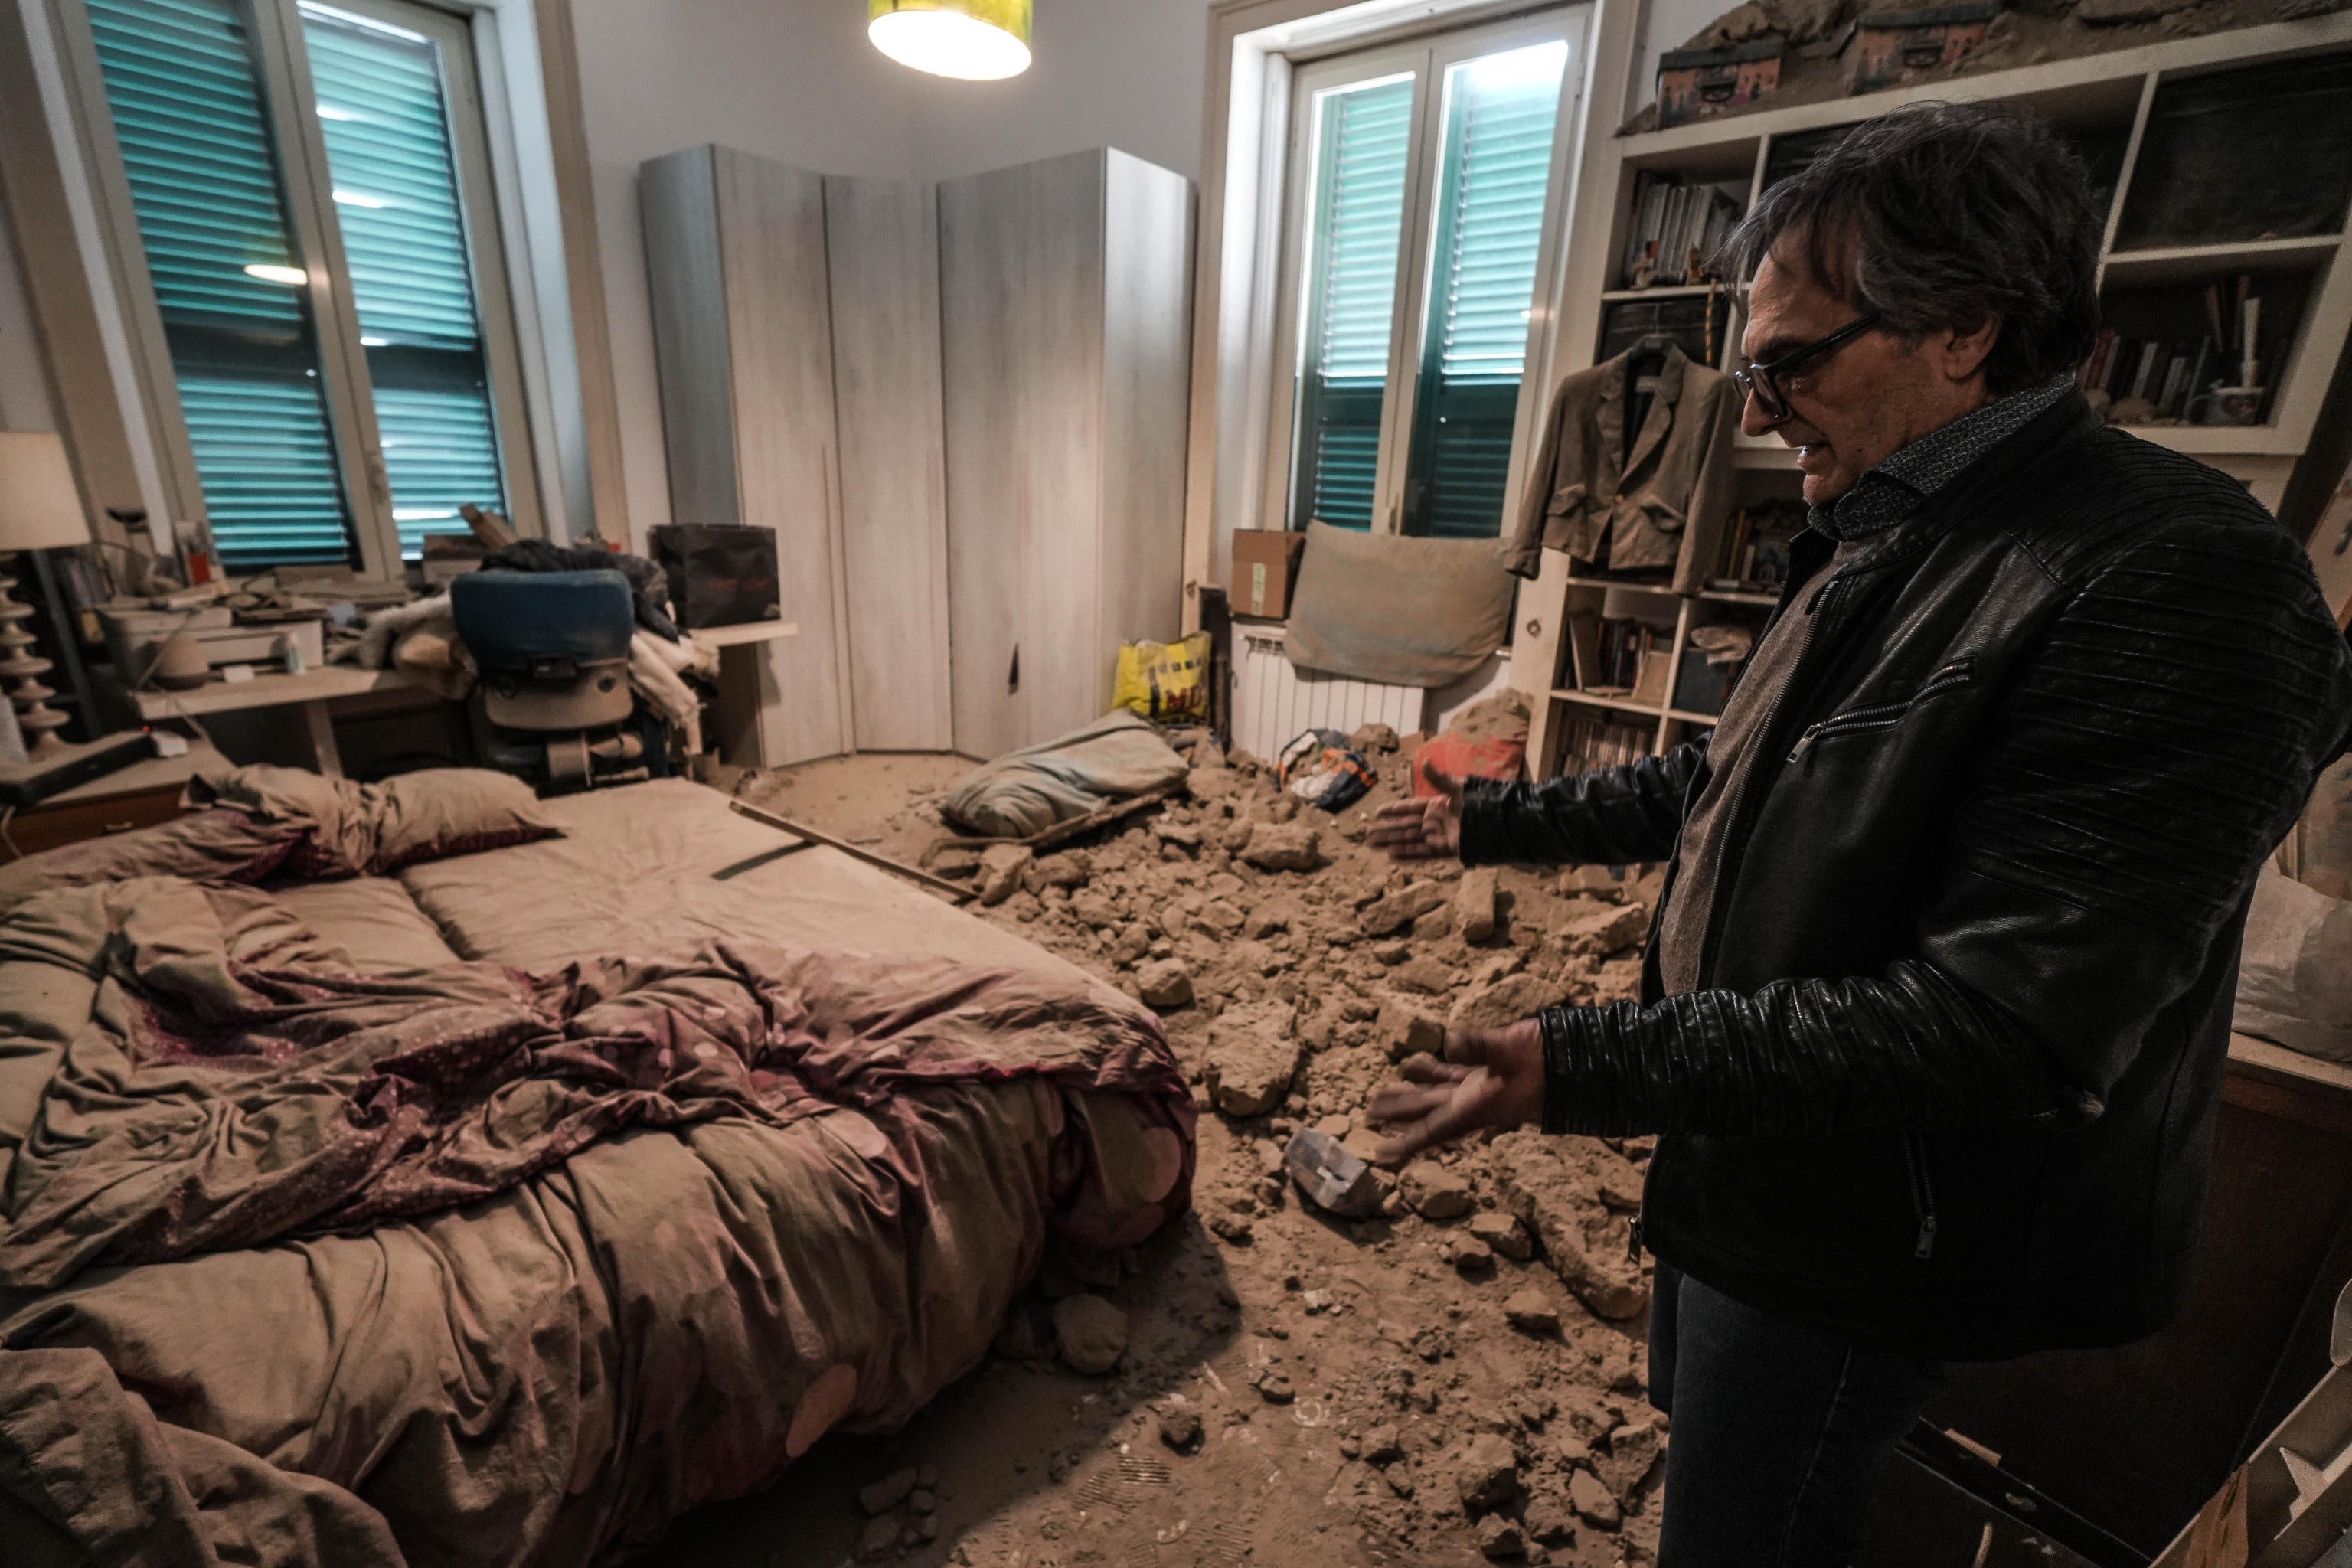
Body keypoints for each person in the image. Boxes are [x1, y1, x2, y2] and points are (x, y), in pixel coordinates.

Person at [1365, 101, 2352, 1564]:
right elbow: (1736, 785)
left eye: (1789, 364)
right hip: (1754, 1155)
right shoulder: (1880, 528)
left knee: (1755, 1526)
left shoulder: (2182, 581)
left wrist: (1586, 1061)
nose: (1755, 413)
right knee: (1722, 1457)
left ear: (1962, 330)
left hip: (1876, 1231)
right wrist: (1495, 824)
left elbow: (1997, 1028)